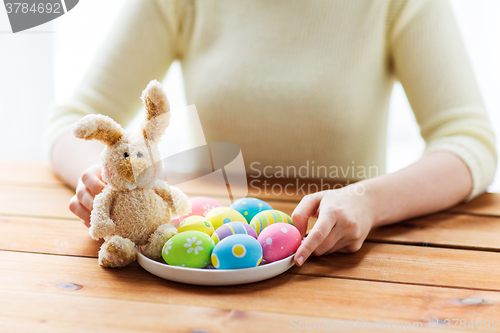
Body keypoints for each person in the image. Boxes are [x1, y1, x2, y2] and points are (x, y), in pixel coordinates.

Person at [45, 0, 497, 267]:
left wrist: (369, 201)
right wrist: (104, 183)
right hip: (211, 269)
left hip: (339, 266)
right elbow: (73, 118)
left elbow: (469, 139)